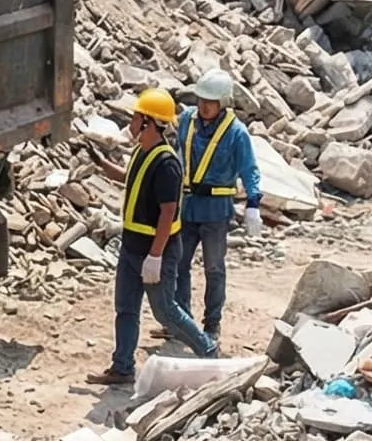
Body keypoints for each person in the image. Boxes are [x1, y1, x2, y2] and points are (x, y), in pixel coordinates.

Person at [91, 89, 220, 386]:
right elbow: (130, 177)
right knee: (125, 308)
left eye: (136, 116)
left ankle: (207, 349)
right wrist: (100, 163)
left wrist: (156, 256)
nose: (131, 121)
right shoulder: (141, 151)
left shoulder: (166, 164)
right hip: (132, 245)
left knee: (166, 312)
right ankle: (122, 367)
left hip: (154, 249)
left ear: (148, 122)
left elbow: (167, 213)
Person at [168, 69, 264, 344]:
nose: (204, 106)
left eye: (210, 101)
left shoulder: (236, 133)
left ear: (223, 103)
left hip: (216, 209)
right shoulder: (187, 120)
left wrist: (253, 204)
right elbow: (176, 155)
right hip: (187, 205)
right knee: (178, 264)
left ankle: (212, 324)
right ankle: (180, 320)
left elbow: (249, 170)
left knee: (213, 268)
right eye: (200, 100)